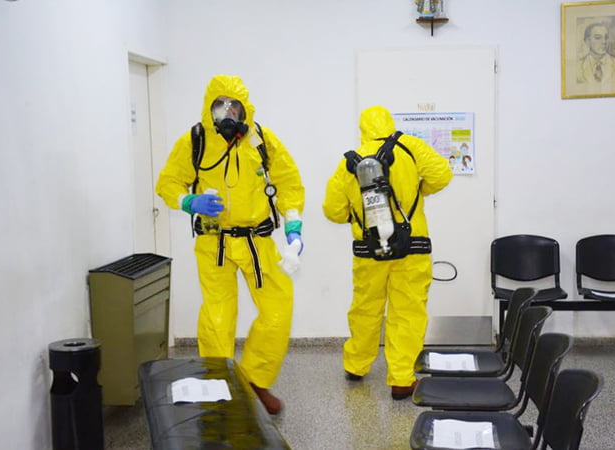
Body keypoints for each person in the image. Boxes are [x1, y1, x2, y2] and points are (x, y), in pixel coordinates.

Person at [155, 74, 305, 414]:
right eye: (219, 105)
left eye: (233, 105)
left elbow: (288, 182)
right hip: (215, 243)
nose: (227, 112)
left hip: (258, 240)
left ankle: (254, 380)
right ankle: (218, 388)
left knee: (278, 310)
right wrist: (188, 202)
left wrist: (293, 225)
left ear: (244, 109)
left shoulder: (262, 141)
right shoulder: (193, 141)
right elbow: (167, 183)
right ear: (209, 108)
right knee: (218, 317)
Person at [322, 105, 452, 400]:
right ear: (390, 124)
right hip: (412, 248)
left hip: (368, 251)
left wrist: (354, 216)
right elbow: (442, 175)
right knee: (407, 312)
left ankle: (356, 365)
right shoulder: (410, 147)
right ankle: (402, 379)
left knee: (365, 309)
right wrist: (417, 193)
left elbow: (332, 210)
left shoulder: (350, 163)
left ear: (363, 129)